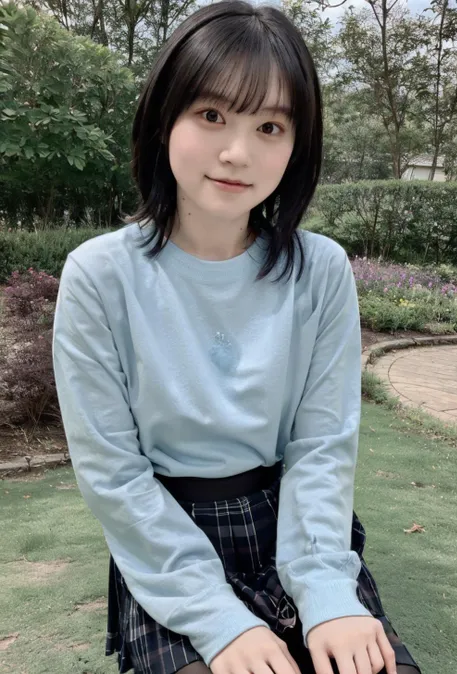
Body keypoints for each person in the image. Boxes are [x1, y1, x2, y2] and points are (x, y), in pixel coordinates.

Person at [51, 2, 422, 674]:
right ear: (166, 116)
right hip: (165, 537)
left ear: (297, 144)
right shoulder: (100, 275)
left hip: (298, 529)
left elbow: (321, 445)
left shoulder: (322, 270)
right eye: (212, 114)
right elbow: (114, 474)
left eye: (270, 125)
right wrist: (219, 620)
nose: (237, 152)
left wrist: (329, 594)